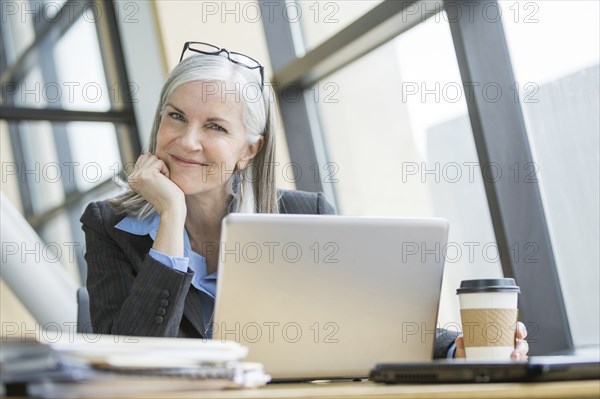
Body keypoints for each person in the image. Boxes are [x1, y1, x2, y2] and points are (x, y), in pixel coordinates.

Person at [80, 41, 528, 360]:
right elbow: (129, 355)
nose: (187, 141)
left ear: (248, 150)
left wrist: (453, 348)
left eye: (215, 127)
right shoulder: (108, 225)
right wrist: (171, 218)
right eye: (175, 117)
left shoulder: (302, 215)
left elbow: (363, 320)